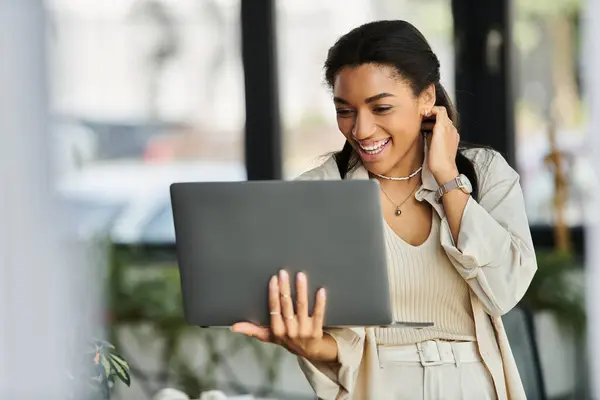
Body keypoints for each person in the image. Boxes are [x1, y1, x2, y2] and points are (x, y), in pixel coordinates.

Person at [231, 20, 537, 400]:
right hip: (375, 387)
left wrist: (447, 179)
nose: (361, 129)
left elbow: (505, 289)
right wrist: (309, 345)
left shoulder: (485, 173)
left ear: (426, 99)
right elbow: (341, 344)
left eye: (382, 107)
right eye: (345, 110)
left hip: (473, 384)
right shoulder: (320, 191)